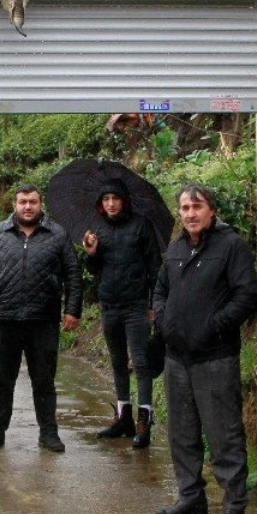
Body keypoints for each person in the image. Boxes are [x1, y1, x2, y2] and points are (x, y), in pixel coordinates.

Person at [152, 185, 257, 514]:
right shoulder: (175, 248)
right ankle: (190, 497)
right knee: (181, 433)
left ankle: (234, 505)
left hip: (215, 356)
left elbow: (247, 296)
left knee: (223, 434)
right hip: (176, 357)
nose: (190, 214)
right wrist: (163, 317)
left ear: (212, 210)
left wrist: (214, 326)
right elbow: (160, 290)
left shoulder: (230, 246)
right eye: (184, 208)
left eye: (197, 207)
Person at [0, 184, 82, 453]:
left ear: (40, 203)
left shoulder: (57, 234)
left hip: (42, 320)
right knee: (0, 380)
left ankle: (48, 433)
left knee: (44, 380)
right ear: (15, 204)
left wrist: (72, 310)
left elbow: (73, 273)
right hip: (3, 318)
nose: (28, 206)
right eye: (23, 201)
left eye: (33, 201)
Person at [81, 179, 162, 448]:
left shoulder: (141, 226)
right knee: (117, 361)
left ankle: (144, 420)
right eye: (106, 199)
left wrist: (154, 304)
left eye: (115, 198)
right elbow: (95, 272)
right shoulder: (98, 229)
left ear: (124, 200)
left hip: (136, 305)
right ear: (101, 204)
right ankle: (123, 417)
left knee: (140, 362)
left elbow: (154, 266)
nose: (111, 203)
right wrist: (91, 253)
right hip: (109, 304)